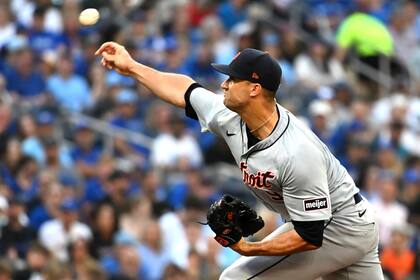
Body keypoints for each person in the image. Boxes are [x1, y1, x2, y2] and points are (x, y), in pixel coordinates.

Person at [96, 42, 383, 279]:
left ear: (254, 89)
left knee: (236, 278)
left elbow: (310, 236)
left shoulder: (296, 151)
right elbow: (185, 90)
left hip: (337, 227)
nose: (224, 85)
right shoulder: (230, 115)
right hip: (351, 224)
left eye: (232, 79)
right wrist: (132, 67)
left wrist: (250, 248)